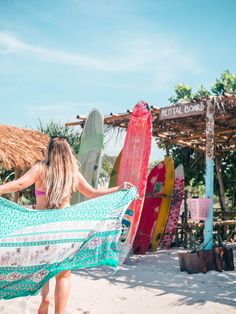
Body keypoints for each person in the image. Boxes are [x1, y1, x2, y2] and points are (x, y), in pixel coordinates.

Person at [0, 137, 133, 314]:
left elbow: (18, 184)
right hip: (65, 231)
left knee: (42, 266)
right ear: (68, 153)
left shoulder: (40, 169)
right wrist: (118, 189)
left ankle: (45, 297)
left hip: (42, 229)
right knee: (63, 274)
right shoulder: (73, 174)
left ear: (50, 151)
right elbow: (93, 194)